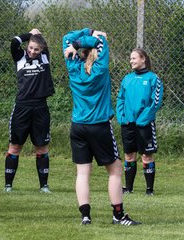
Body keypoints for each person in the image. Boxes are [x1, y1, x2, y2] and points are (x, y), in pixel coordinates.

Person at [63, 28, 141, 225]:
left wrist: (80, 37)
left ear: (79, 53)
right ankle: (118, 215)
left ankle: (86, 216)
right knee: (115, 170)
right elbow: (101, 41)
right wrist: (93, 34)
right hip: (99, 127)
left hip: (78, 126)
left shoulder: (73, 65)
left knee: (82, 172)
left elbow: (67, 39)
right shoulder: (100, 68)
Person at [4, 29, 54, 193]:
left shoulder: (45, 57)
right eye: (30, 47)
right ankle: (8, 185)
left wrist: (39, 36)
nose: (32, 51)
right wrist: (29, 34)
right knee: (15, 146)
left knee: (41, 147)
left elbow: (42, 43)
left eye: (36, 49)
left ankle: (44, 186)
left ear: (41, 50)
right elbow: (14, 42)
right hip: (22, 107)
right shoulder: (19, 57)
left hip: (40, 107)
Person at [116, 49, 163, 196]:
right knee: (129, 155)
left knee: (146, 156)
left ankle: (149, 189)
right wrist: (122, 116)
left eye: (134, 58)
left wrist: (144, 118)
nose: (131, 61)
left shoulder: (153, 78)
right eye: (130, 58)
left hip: (145, 124)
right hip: (128, 123)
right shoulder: (127, 79)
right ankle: (128, 188)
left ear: (143, 59)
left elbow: (155, 102)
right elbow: (120, 98)